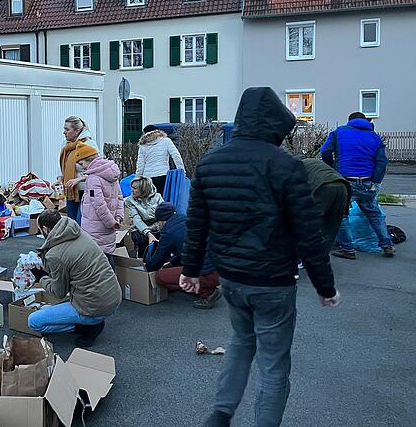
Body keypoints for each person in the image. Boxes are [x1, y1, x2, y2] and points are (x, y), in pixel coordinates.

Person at [180, 87, 340, 427]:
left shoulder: (210, 164)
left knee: (241, 341)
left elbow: (197, 224)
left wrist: (191, 270)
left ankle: (221, 413)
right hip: (274, 284)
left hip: (232, 279)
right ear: (274, 125)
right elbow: (308, 233)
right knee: (274, 364)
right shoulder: (286, 166)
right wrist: (326, 287)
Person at [27, 210, 122, 347]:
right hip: (113, 297)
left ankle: (87, 326)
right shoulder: (79, 232)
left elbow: (59, 292)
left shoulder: (55, 254)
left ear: (45, 229)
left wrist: (41, 277)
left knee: (34, 321)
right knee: (44, 310)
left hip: (93, 307)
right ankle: (91, 321)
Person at [321, 111, 394, 258]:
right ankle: (387, 245)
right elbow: (381, 162)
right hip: (367, 182)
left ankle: (347, 249)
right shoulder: (375, 137)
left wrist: (331, 169)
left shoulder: (339, 132)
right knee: (374, 213)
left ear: (350, 121)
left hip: (345, 182)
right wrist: (375, 181)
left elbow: (325, 151)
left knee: (341, 215)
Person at [145, 203, 220, 309]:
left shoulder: (168, 231)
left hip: (208, 273)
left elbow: (158, 258)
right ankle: (207, 285)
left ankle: (207, 292)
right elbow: (183, 251)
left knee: (160, 277)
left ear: (161, 220)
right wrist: (172, 263)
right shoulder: (186, 218)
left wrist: (145, 270)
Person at [80, 154, 124, 267]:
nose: (81, 166)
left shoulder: (93, 178)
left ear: (89, 161)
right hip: (110, 224)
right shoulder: (111, 175)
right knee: (108, 255)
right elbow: (120, 198)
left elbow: (98, 203)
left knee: (96, 260)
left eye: (82, 162)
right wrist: (118, 218)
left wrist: (110, 222)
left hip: (94, 224)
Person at [302, 158, 351, 254]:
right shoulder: (313, 162)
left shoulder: (294, 167)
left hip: (323, 187)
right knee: (332, 225)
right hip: (343, 186)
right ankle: (323, 257)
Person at [59, 116, 99, 224]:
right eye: (64, 129)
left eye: (67, 129)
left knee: (81, 222)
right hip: (70, 189)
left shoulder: (89, 144)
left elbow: (97, 170)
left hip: (85, 190)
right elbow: (65, 164)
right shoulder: (66, 145)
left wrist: (79, 179)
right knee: (72, 222)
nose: (64, 132)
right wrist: (60, 178)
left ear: (76, 131)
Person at [136, 129, 185, 196]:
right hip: (163, 175)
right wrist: (182, 171)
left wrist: (138, 179)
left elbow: (140, 165)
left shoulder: (143, 145)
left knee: (149, 201)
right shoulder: (166, 141)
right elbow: (176, 156)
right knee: (163, 200)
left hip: (147, 177)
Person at [124, 176, 164, 258]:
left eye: (135, 188)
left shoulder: (157, 197)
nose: (132, 190)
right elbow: (136, 219)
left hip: (157, 227)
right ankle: (142, 261)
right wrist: (148, 232)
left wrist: (154, 228)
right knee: (140, 239)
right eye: (131, 188)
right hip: (141, 229)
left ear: (143, 189)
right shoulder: (129, 201)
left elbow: (163, 216)